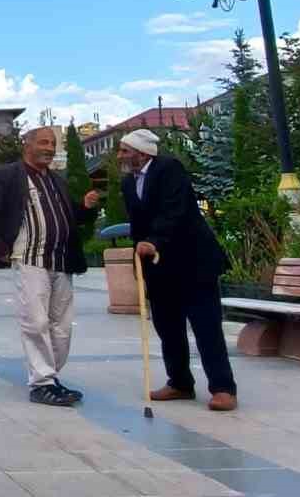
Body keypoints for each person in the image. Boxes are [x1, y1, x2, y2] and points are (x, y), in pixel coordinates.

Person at [0, 126, 101, 408]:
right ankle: (42, 382)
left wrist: (85, 206)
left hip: (61, 261)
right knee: (36, 322)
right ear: (27, 144)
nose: (49, 148)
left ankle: (50, 377)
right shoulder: (8, 175)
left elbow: (70, 215)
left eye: (53, 143)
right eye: (44, 142)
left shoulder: (57, 180)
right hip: (30, 259)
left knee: (62, 325)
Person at [118, 129, 238, 412]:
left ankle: (223, 388)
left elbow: (175, 209)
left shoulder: (168, 169)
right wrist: (141, 261)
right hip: (159, 267)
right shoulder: (127, 183)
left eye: (124, 150)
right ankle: (180, 383)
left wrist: (154, 240)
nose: (120, 156)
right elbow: (138, 223)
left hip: (193, 262)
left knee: (206, 327)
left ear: (142, 153)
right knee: (168, 328)